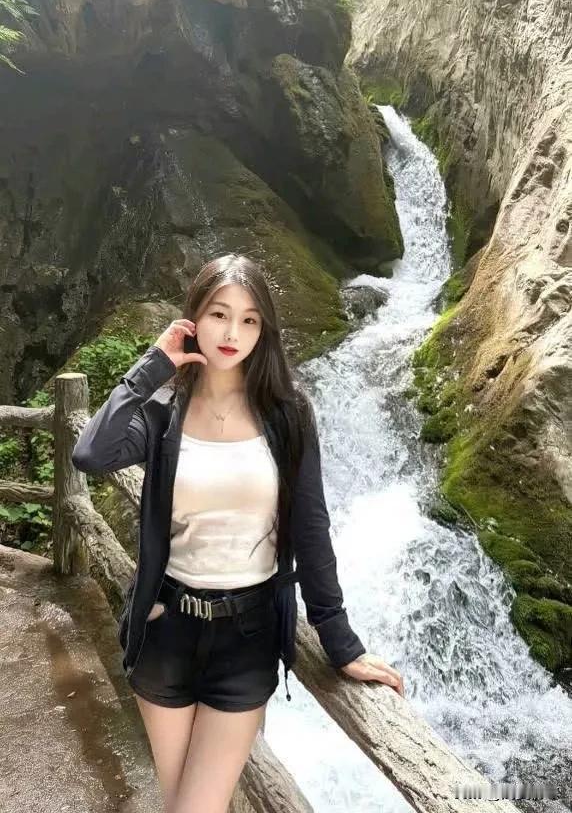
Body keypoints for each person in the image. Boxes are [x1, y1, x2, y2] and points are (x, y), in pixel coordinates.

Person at [72, 252, 404, 813]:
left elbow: (312, 527)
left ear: (264, 330)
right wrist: (152, 366)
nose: (232, 333)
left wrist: (340, 641)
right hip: (165, 630)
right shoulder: (163, 413)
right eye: (219, 314)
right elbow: (90, 453)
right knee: (178, 802)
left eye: (249, 320)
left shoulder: (287, 414)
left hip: (247, 638)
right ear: (194, 318)